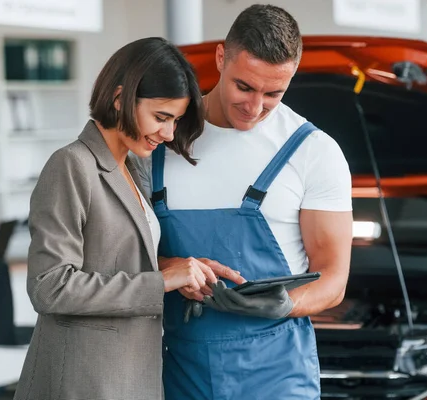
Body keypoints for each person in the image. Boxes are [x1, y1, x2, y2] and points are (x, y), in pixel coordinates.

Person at [134, 4, 353, 400]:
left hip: (278, 377)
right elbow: (122, 255)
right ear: (221, 58)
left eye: (274, 93)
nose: (255, 108)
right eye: (244, 87)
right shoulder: (159, 142)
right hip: (180, 372)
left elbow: (333, 281)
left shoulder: (314, 152)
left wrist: (284, 304)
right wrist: (169, 268)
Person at [13, 37, 242, 400]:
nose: (168, 134)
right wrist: (161, 282)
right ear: (120, 99)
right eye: (161, 117)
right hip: (82, 379)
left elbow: (115, 257)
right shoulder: (71, 165)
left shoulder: (136, 169)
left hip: (133, 374)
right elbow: (50, 286)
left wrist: (179, 267)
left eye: (176, 121)